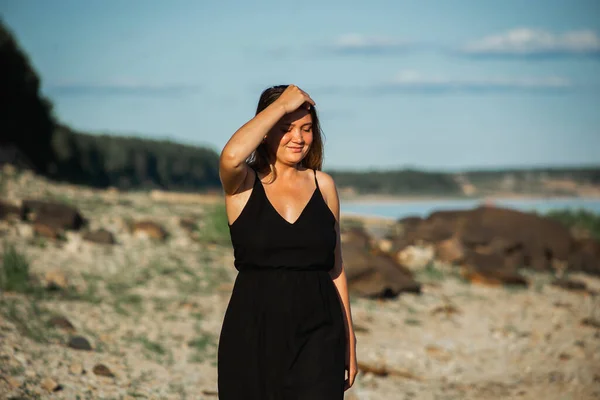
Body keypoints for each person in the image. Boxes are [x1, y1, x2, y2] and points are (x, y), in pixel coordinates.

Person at [217, 84, 358, 399]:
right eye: (286, 128)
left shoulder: (324, 186)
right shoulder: (243, 184)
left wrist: (350, 338)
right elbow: (231, 155)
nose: (299, 138)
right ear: (266, 130)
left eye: (307, 129)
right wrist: (280, 105)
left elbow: (335, 267)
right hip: (253, 329)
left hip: (320, 331)